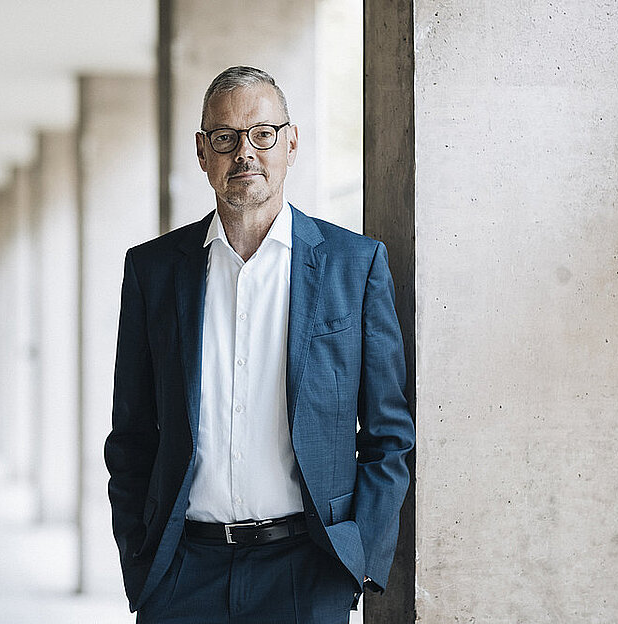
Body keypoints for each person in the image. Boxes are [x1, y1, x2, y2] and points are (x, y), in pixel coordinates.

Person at [105, 65, 414, 624]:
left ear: (290, 143)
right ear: (203, 153)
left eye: (262, 134)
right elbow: (130, 435)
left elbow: (388, 432)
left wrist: (358, 559)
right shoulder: (152, 271)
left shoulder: (355, 264)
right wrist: (139, 558)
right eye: (225, 138)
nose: (245, 152)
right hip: (182, 574)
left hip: (305, 570)